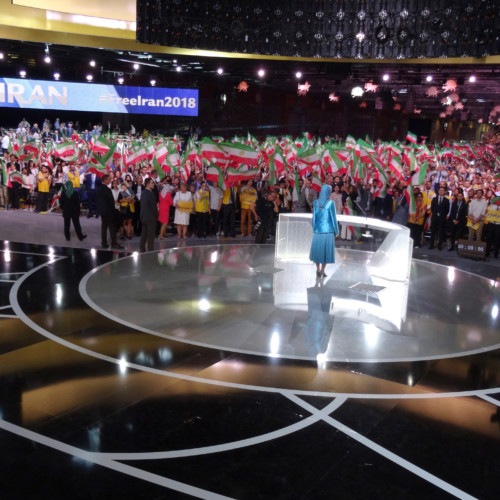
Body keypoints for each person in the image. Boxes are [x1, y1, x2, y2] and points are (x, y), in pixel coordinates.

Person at [309, 184, 339, 277]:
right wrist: (336, 231)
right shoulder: (331, 203)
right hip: (328, 231)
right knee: (325, 252)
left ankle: (317, 269)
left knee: (317, 251)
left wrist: (315, 228)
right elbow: (334, 219)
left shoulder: (315, 203)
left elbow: (314, 218)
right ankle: (322, 270)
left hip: (317, 231)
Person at [96, 174, 123, 249]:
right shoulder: (107, 190)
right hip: (109, 211)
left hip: (102, 211)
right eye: (109, 179)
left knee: (104, 228)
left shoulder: (99, 189)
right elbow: (111, 201)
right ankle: (114, 243)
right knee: (112, 227)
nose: (110, 181)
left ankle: (104, 243)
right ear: (106, 180)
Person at [139, 178, 158, 252]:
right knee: (151, 237)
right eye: (152, 183)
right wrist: (156, 215)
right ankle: (150, 252)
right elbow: (154, 206)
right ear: (147, 184)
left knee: (143, 236)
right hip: (150, 218)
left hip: (143, 217)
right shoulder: (151, 193)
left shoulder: (143, 192)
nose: (153, 184)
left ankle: (142, 251)